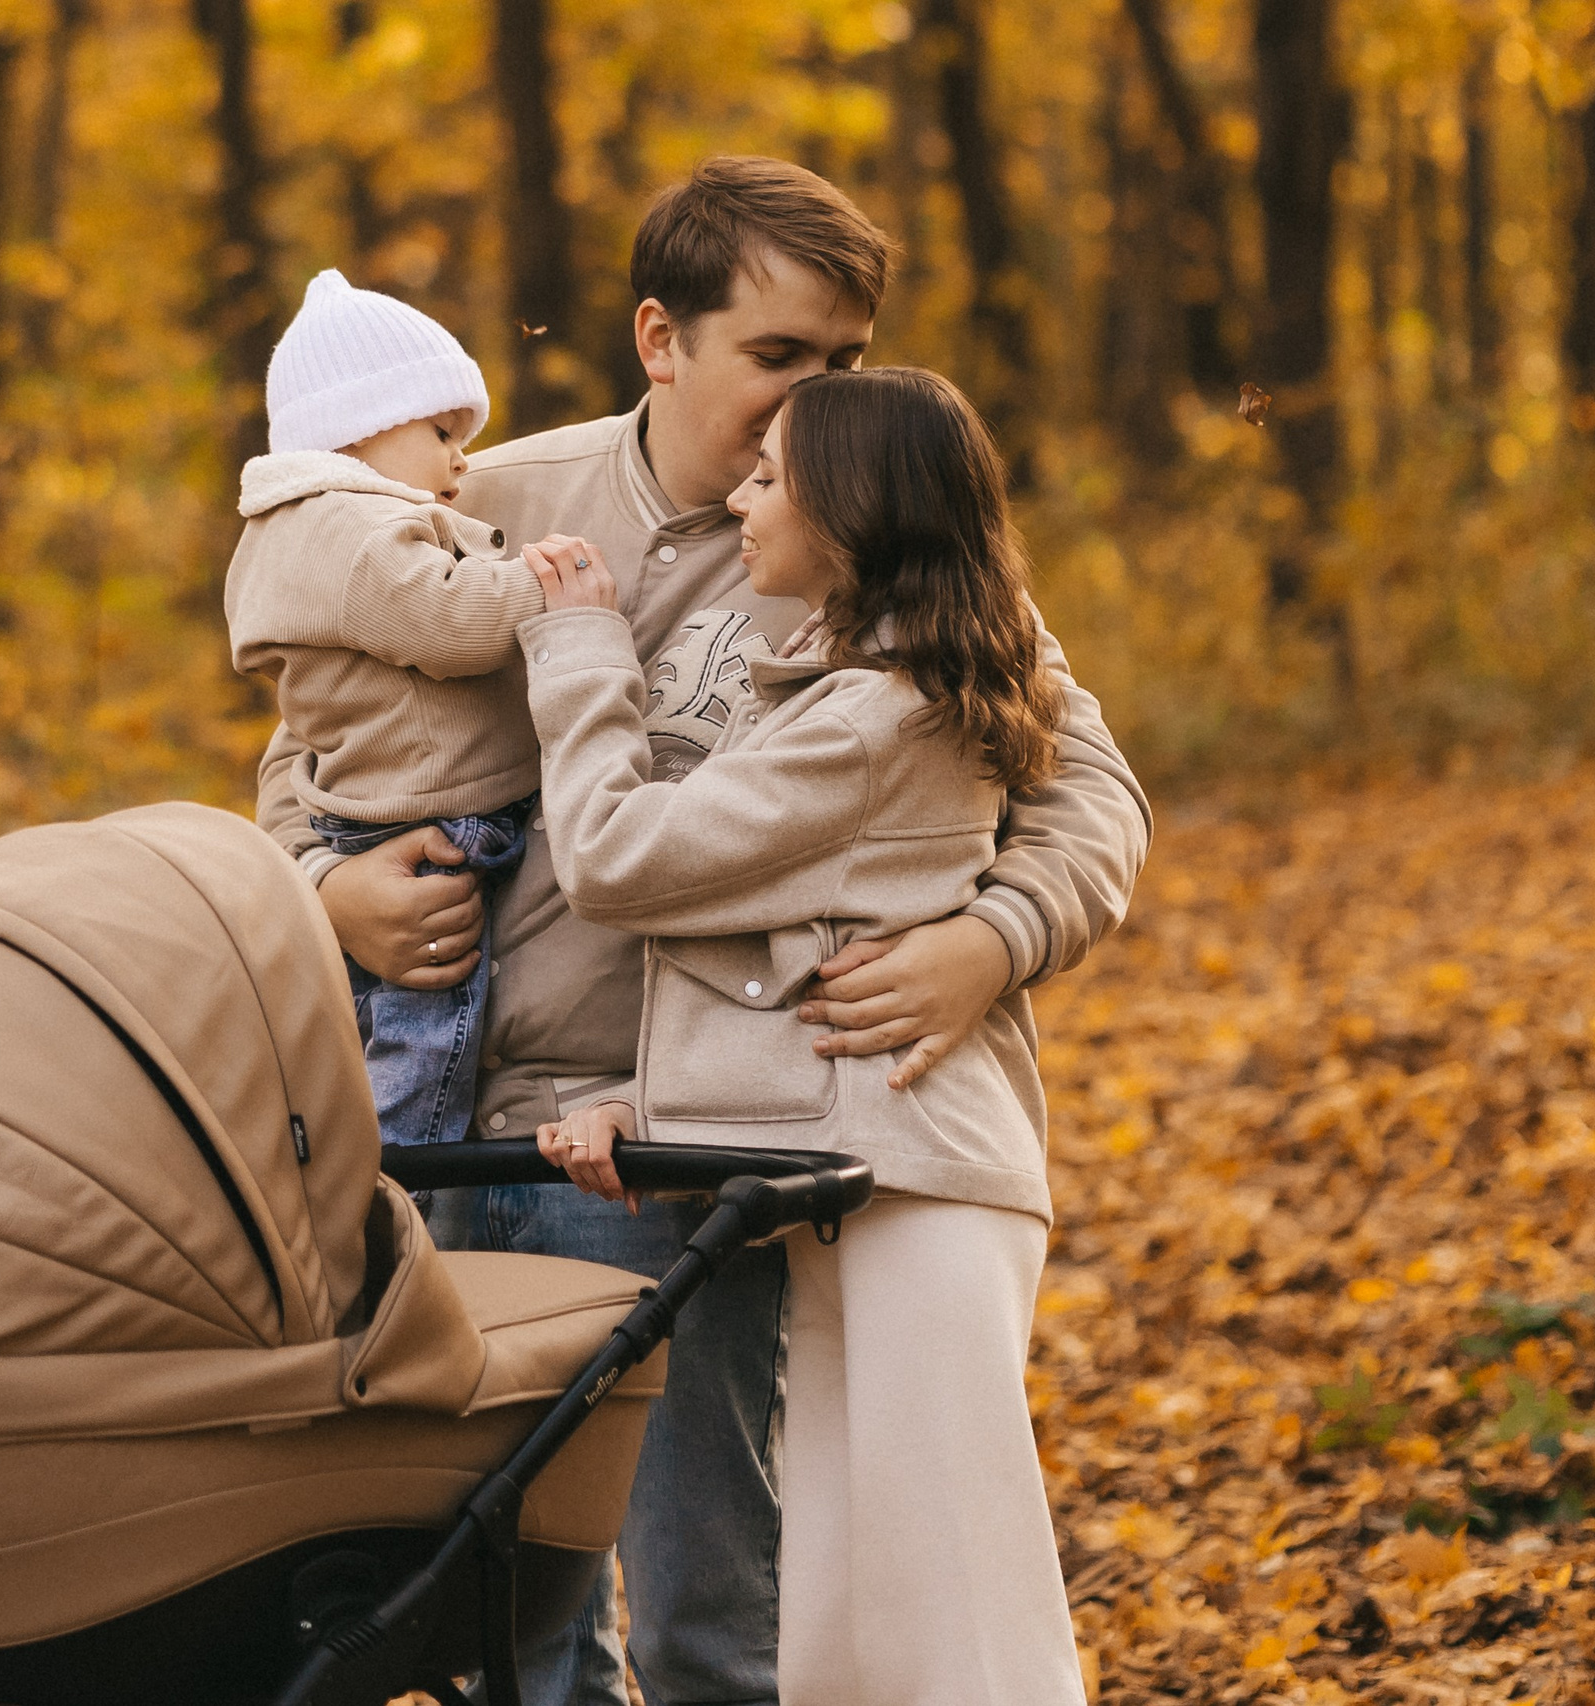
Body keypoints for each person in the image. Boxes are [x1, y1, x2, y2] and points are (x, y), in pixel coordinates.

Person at [257, 157, 1149, 1704]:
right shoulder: (487, 503)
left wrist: (992, 938)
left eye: (846, 363)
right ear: (661, 339)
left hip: (691, 1137)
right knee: (498, 1618)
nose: (813, 395)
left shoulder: (871, 529)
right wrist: (322, 887)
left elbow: (1084, 792)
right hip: (460, 1123)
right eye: (779, 357)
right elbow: (309, 743)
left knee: (711, 1612)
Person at [524, 368, 1088, 1705]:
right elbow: (773, 971)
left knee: (960, 1630)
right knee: (840, 1641)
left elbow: (614, 858)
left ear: (852, 509)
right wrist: (634, 1101)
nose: (740, 497)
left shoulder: (871, 713)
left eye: (772, 475)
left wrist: (582, 649)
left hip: (920, 1188)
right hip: (848, 1187)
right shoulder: (851, 682)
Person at [226, 268, 542, 1149]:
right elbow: (451, 626)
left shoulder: (295, 530)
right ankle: (393, 1180)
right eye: (442, 430)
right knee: (426, 1032)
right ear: (357, 431)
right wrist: (545, 586)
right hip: (429, 819)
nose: (463, 458)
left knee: (378, 1021)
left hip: (369, 813)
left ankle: (352, 1160)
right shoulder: (348, 532)